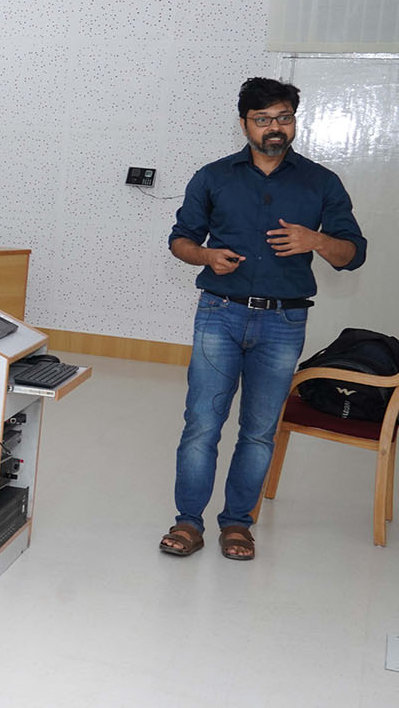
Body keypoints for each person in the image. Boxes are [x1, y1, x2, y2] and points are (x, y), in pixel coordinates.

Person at [158, 78, 368, 562]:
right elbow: (180, 241)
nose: (275, 128)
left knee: (258, 430)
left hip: (284, 323)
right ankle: (188, 522)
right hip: (219, 315)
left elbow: (353, 254)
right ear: (244, 123)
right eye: (264, 119)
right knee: (202, 424)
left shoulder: (321, 182)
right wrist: (206, 256)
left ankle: (237, 524)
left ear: (294, 120)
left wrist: (315, 241)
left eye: (284, 118)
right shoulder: (213, 176)